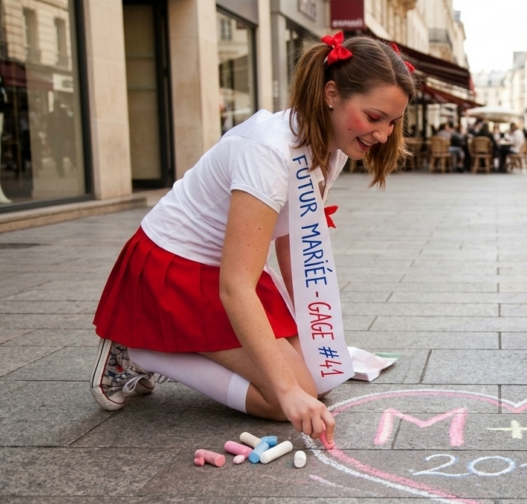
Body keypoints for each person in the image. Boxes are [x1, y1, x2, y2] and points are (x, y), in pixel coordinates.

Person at [89, 34, 416, 445]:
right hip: (176, 272)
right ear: (332, 94)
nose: (384, 134)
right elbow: (235, 286)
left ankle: (166, 344)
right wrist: (286, 391)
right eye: (374, 117)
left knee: (319, 376)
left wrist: (312, 332)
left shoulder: (328, 145)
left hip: (225, 269)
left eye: (392, 122)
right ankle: (140, 347)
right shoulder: (268, 151)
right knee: (287, 402)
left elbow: (293, 244)